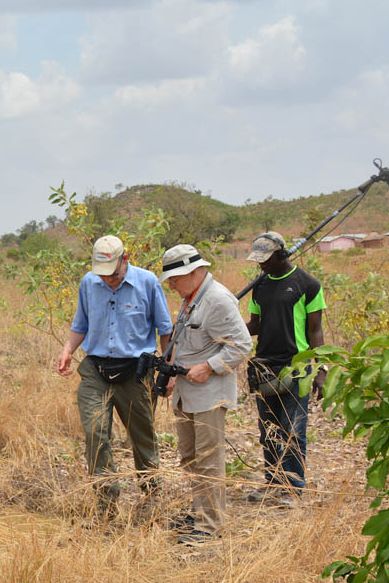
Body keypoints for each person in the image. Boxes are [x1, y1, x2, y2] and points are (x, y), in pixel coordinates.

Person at [54, 236, 173, 517]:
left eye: (115, 274)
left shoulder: (147, 282)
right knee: (96, 434)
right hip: (96, 370)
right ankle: (106, 504)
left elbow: (165, 330)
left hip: (135, 373)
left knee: (142, 437)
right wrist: (67, 349)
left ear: (126, 259)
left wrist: (168, 372)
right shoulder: (88, 283)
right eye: (103, 275)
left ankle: (151, 496)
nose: (109, 280)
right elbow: (80, 324)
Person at [159, 245, 252, 543]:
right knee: (189, 457)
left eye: (175, 278)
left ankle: (211, 526)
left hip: (209, 394)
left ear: (194, 272)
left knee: (209, 459)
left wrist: (210, 367)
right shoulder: (190, 299)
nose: (171, 285)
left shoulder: (218, 300)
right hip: (187, 393)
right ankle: (200, 513)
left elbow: (241, 345)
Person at [244, 231, 327, 506]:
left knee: (293, 430)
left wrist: (321, 369)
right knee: (268, 429)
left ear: (282, 255)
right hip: (265, 367)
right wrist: (228, 327)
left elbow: (315, 331)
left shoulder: (308, 285)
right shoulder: (260, 285)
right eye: (258, 261)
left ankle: (292, 489)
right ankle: (272, 482)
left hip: (297, 367)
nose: (261, 266)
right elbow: (255, 325)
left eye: (266, 260)